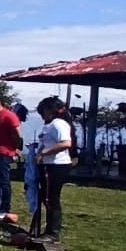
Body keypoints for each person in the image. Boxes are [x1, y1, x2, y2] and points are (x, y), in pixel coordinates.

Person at [34, 97, 74, 243]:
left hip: (56, 165)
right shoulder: (49, 125)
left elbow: (66, 143)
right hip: (48, 164)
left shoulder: (59, 124)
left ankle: (53, 232)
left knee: (51, 198)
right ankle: (49, 228)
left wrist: (44, 153)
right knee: (47, 197)